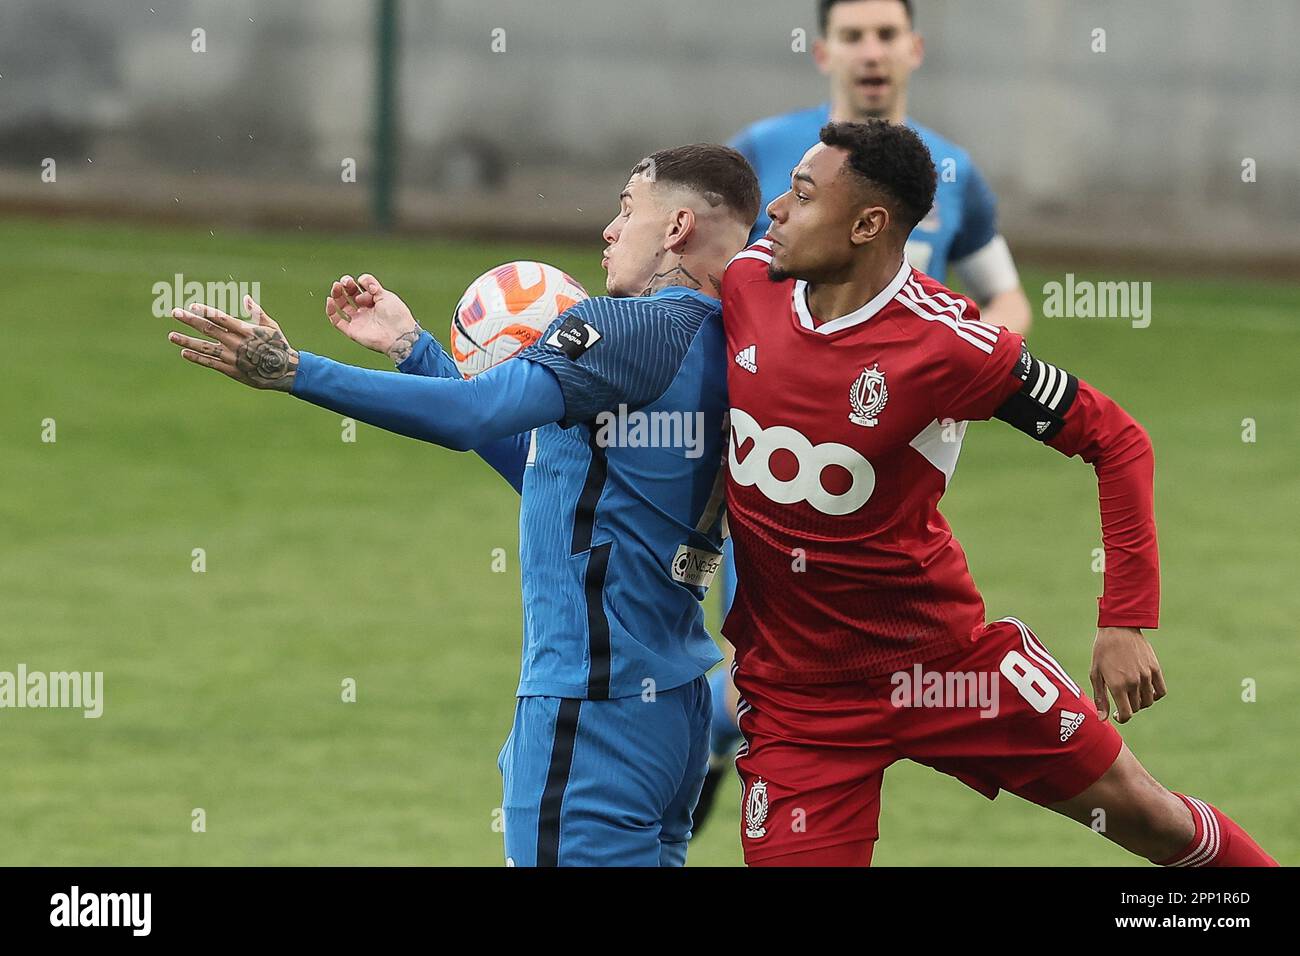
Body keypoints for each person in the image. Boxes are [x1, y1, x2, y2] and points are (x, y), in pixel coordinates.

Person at [165, 144, 760, 866]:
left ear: (677, 228)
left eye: (628, 209)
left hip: (589, 714)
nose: (609, 229)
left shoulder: (635, 329)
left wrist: (295, 371)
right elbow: (568, 484)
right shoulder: (730, 346)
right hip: (673, 709)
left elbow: (474, 415)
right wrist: (417, 352)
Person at [719, 118, 1276, 867]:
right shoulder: (748, 285)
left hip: (945, 672)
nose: (776, 212)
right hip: (800, 705)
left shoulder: (948, 344)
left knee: (1149, 819)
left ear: (867, 223)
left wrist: (1125, 619)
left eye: (802, 195)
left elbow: (1116, 439)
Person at [699, 2, 1037, 819]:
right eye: (854, 35)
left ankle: (721, 747)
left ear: (915, 48)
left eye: (887, 34)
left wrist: (956, 386)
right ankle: (703, 764)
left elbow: (1005, 299)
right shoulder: (767, 153)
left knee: (830, 665)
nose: (872, 51)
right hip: (782, 462)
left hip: (876, 471)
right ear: (823, 52)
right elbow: (714, 289)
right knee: (778, 661)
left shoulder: (948, 171)